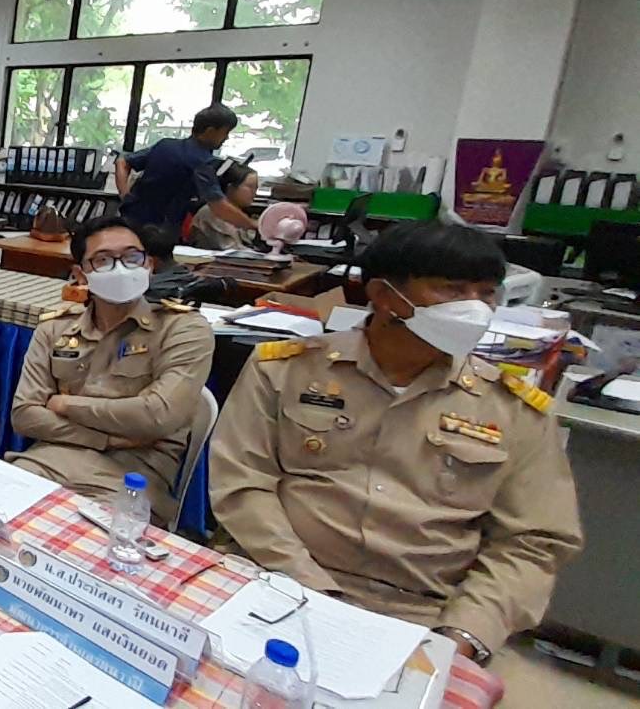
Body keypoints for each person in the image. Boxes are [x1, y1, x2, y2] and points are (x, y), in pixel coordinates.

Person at [211, 221, 583, 663]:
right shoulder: (285, 370)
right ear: (385, 295)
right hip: (278, 576)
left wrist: (464, 634)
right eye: (452, 289)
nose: (475, 309)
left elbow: (533, 540)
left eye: (486, 294)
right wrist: (308, 586)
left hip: (424, 609)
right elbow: (243, 482)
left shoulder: (514, 408)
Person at [7, 215, 215, 521]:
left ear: (149, 265)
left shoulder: (184, 329)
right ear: (80, 275)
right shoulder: (55, 329)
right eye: (103, 260)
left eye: (132, 257)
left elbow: (157, 415)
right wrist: (109, 437)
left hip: (131, 478)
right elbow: (24, 415)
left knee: (91, 555)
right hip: (47, 462)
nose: (121, 268)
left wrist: (65, 404)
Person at [116, 104, 253, 239]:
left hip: (130, 220)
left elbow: (122, 162)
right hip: (161, 230)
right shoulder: (203, 163)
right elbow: (218, 206)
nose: (226, 138)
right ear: (211, 131)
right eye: (225, 133)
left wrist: (124, 194)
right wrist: (253, 225)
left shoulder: (165, 145)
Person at [188, 161, 259, 251]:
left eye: (256, 188)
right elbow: (232, 250)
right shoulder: (211, 212)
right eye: (250, 187)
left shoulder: (238, 212)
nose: (254, 192)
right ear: (230, 188)